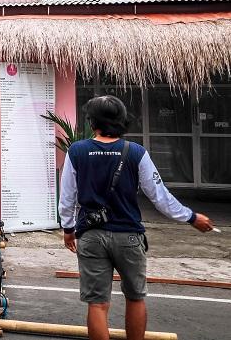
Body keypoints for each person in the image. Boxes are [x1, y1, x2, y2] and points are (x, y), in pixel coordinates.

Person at [59, 95, 214, 340]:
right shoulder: (136, 153)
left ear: (92, 121)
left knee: (97, 304)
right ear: (121, 120)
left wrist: (68, 229)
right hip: (129, 237)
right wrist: (191, 217)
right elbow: (159, 196)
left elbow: (67, 197)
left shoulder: (76, 151)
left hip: (90, 236)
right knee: (135, 297)